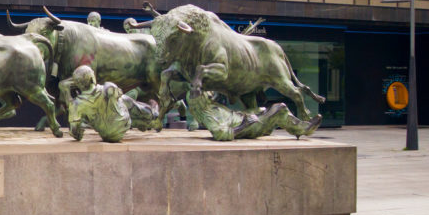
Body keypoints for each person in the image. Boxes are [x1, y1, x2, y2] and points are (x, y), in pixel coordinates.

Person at [186, 65, 322, 141]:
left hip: (242, 116)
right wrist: (244, 125)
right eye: (204, 91)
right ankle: (302, 129)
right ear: (200, 100)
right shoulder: (208, 115)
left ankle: (296, 127)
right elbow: (221, 134)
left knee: (262, 109)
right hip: (247, 125)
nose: (208, 91)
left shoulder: (211, 106)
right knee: (280, 108)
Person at [66, 65, 159, 142]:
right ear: (91, 78)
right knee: (124, 100)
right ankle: (151, 113)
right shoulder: (107, 87)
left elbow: (75, 132)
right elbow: (118, 93)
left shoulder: (75, 104)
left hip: (108, 135)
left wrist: (77, 132)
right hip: (123, 121)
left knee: (110, 116)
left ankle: (147, 122)